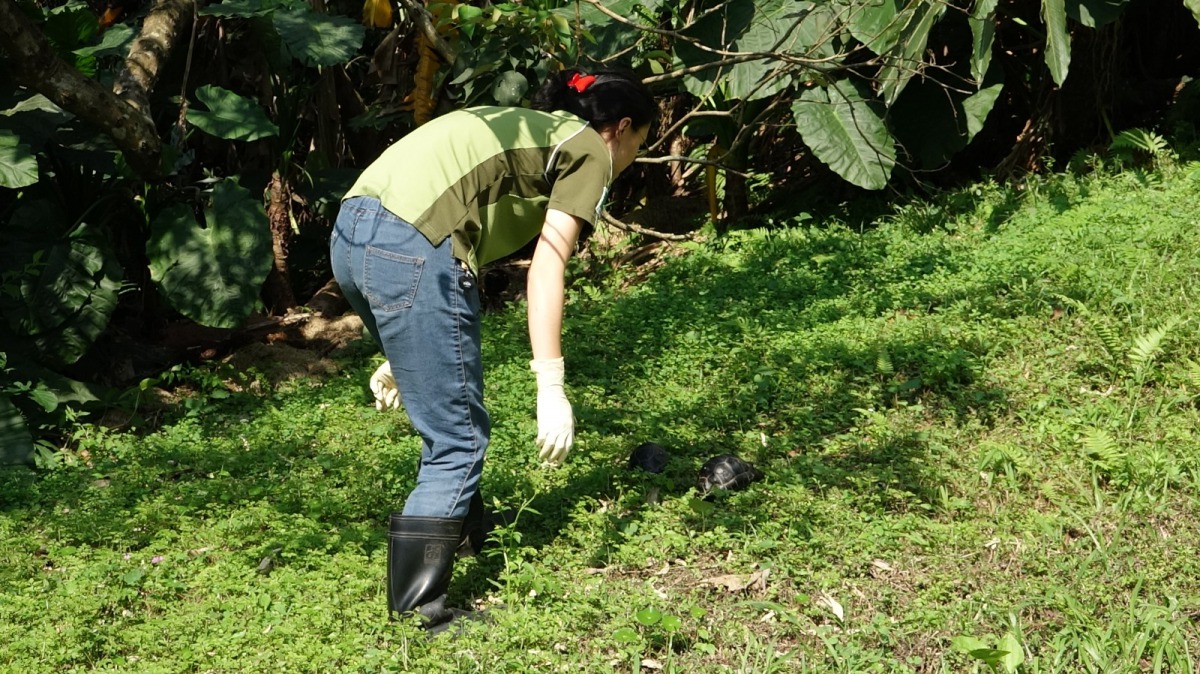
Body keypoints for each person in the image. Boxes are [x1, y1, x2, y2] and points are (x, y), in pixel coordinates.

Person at [329, 68, 655, 632]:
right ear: (621, 128)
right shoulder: (588, 149)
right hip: (411, 244)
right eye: (640, 144)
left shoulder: (527, 129)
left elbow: (417, 210)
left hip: (351, 235)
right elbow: (547, 265)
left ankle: (471, 532)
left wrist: (404, 348)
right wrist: (551, 386)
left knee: (449, 411)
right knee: (458, 439)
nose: (631, 158)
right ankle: (418, 613)